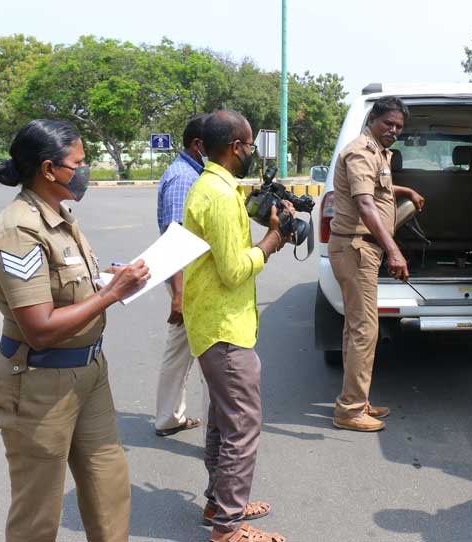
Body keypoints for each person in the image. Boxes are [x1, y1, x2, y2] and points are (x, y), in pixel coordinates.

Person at [0, 119, 149, 541]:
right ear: (47, 169)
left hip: (89, 372)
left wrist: (108, 279)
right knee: (38, 513)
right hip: (39, 381)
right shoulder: (18, 231)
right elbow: (38, 328)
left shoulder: (59, 214)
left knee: (108, 490)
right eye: (78, 162)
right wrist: (112, 294)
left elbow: (69, 284)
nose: (86, 169)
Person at [183, 110, 288, 542]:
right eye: (248, 145)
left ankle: (219, 502)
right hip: (225, 328)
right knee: (242, 427)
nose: (250, 152)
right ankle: (228, 527)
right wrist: (270, 243)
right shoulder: (220, 196)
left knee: (223, 422)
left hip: (215, 322)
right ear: (235, 147)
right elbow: (231, 271)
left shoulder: (214, 187)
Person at [328, 96, 425, 432]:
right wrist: (394, 251)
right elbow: (366, 204)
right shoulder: (360, 150)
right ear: (373, 119)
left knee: (357, 328)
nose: (394, 131)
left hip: (363, 251)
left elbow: (377, 186)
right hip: (356, 250)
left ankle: (357, 399)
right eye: (389, 124)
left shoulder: (378, 153)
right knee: (364, 331)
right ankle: (350, 410)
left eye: (399, 127)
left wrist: (405, 190)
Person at [153, 113, 210, 437]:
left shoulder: (192, 173)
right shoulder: (184, 179)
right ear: (198, 144)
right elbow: (175, 239)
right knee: (211, 357)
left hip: (190, 282)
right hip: (189, 283)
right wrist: (179, 294)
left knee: (180, 351)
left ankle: (168, 418)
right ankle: (217, 436)